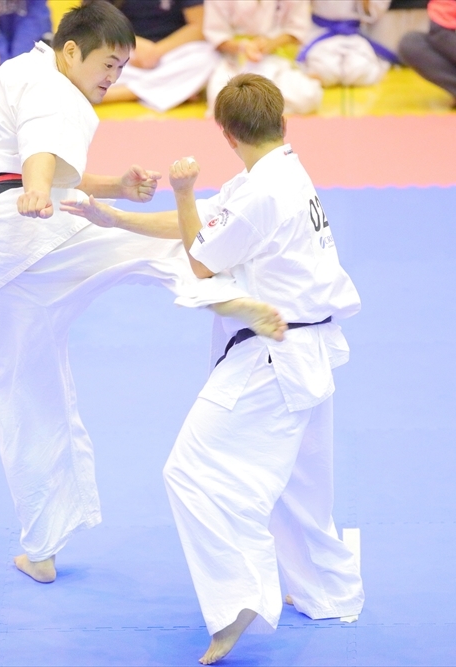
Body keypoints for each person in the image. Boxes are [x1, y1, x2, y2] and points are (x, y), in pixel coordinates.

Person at [0, 1, 284, 585]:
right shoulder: (55, 90)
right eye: (108, 64)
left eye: (122, 68)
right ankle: (219, 292)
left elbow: (27, 167)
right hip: (29, 231)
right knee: (159, 244)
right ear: (72, 50)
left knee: (26, 401)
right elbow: (38, 156)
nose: (113, 78)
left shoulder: (20, 72)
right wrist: (40, 190)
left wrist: (112, 187)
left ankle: (41, 549)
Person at [66, 74, 364, 664]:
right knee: (302, 487)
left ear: (225, 132)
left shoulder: (262, 192)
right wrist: (117, 219)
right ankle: (329, 592)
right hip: (309, 348)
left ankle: (239, 600)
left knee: (191, 471)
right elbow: (209, 224)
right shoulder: (280, 173)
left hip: (272, 355)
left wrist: (180, 190)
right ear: (281, 120)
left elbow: (201, 258)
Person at [203, 0, 323, 114]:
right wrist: (242, 46)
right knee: (217, 99)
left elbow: (297, 29)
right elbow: (216, 33)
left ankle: (256, 112)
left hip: (275, 57)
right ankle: (264, 111)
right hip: (235, 59)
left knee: (308, 97)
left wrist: (271, 43)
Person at [98, 0, 220, 112]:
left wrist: (157, 51)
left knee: (209, 57)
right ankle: (171, 89)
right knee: (93, 58)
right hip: (124, 51)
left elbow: (199, 26)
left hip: (171, 55)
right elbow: (96, 23)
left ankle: (120, 93)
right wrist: (132, 43)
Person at [300, 0, 396, 87]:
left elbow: (375, 10)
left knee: (360, 70)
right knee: (324, 70)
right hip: (319, 32)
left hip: (353, 34)